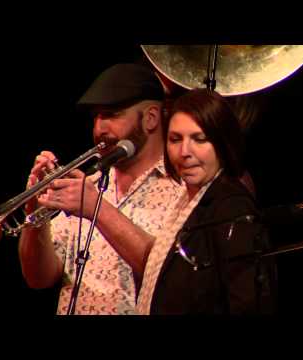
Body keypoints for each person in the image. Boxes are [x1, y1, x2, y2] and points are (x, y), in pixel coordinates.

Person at [18, 63, 185, 315]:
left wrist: (97, 208)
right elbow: (38, 278)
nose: (99, 129)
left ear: (150, 118)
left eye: (112, 114)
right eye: (96, 116)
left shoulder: (182, 189)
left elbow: (171, 274)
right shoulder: (89, 185)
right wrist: (35, 214)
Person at [135, 88, 277, 314]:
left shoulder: (231, 206)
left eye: (199, 139)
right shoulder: (186, 201)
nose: (184, 152)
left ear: (222, 142)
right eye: (175, 139)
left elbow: (247, 302)